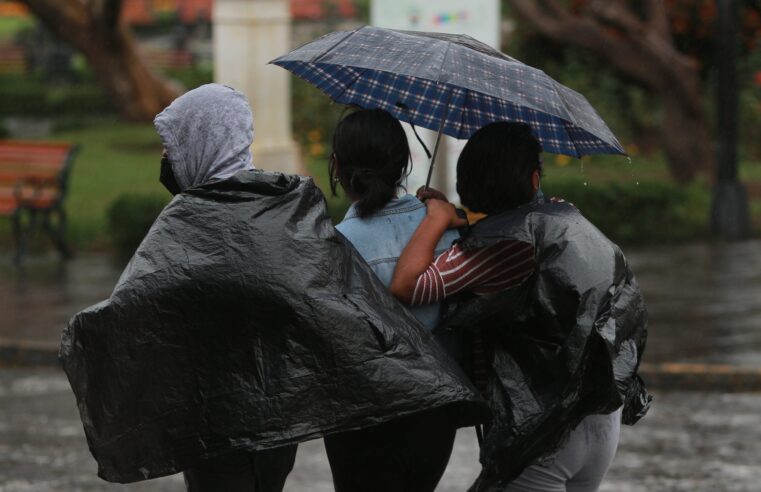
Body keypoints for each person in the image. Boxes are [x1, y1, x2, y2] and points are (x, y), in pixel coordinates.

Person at [60, 84, 488, 491]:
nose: (166, 158)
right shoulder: (282, 206)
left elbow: (140, 305)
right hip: (297, 424)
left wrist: (84, 338)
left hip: (231, 423)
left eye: (172, 146)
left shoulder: (194, 222)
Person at [390, 122, 652, 492]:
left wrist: (436, 217)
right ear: (533, 179)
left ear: (467, 184)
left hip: (543, 435)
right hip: (599, 419)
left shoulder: (496, 247)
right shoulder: (566, 217)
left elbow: (408, 285)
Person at [322, 108, 461, 492]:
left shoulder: (334, 247)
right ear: (403, 165)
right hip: (435, 417)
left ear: (336, 166)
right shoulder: (447, 231)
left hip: (364, 421)